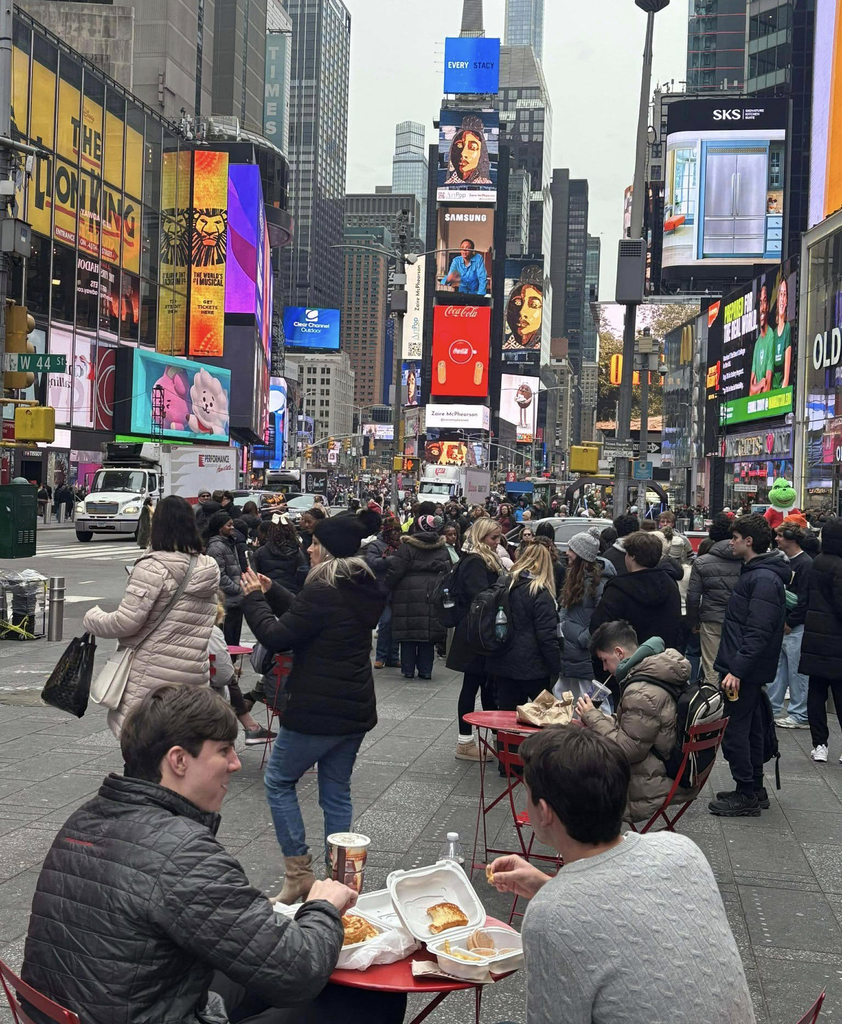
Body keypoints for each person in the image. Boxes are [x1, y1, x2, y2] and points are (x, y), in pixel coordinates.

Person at [20, 685, 408, 1024]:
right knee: (369, 1001)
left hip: (75, 1010)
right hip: (130, 1011)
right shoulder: (181, 850)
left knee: (250, 968)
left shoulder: (89, 814)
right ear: (178, 760)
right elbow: (299, 972)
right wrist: (322, 907)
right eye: (224, 751)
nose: (236, 764)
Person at [487, 727, 757, 1024]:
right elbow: (634, 921)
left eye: (526, 791)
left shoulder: (549, 917)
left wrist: (552, 899)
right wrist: (546, 886)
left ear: (545, 811)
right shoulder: (679, 848)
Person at [240, 513, 386, 904]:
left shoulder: (322, 589)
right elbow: (314, 619)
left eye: (315, 542)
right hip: (354, 708)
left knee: (278, 780)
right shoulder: (360, 584)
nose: (308, 547)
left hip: (316, 709)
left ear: (328, 548)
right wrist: (274, 592)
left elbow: (276, 635)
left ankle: (299, 873)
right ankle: (339, 882)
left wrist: (254, 596)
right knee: (336, 793)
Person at [82, 496, 220, 737]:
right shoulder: (208, 567)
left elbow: (125, 622)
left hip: (150, 677)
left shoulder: (153, 567)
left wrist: (93, 618)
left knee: (143, 748)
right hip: (192, 678)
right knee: (177, 747)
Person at [709, 514, 787, 817]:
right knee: (751, 727)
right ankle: (753, 787)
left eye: (736, 537)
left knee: (735, 730)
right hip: (745, 668)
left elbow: (757, 631)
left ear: (749, 541)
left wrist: (737, 670)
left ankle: (746, 793)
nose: (732, 542)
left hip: (743, 670)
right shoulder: (759, 573)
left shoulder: (763, 578)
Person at [584, 620, 700, 822]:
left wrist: (591, 716)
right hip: (671, 766)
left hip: (649, 781)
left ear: (619, 653)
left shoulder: (640, 690)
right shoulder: (658, 667)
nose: (604, 668)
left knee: (574, 771)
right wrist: (603, 719)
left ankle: (583, 842)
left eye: (604, 660)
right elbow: (640, 728)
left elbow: (626, 750)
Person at [446, 517, 503, 761]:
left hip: (479, 633)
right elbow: (481, 597)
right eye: (493, 538)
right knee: (473, 686)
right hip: (475, 635)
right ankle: (466, 742)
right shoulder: (474, 562)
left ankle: (493, 739)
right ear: (481, 538)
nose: (498, 543)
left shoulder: (481, 559)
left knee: (487, 686)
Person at [488, 542, 560, 711]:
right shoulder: (540, 593)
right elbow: (547, 636)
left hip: (503, 659)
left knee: (506, 714)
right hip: (533, 666)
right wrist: (556, 666)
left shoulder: (504, 583)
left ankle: (503, 738)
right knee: (546, 714)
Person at [589, 531, 683, 662]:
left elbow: (598, 627)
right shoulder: (670, 585)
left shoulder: (618, 590)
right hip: (663, 662)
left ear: (632, 556)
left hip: (626, 664)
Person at [386, 514, 451, 680]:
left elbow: (396, 570)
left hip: (407, 591)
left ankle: (408, 670)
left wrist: (386, 586)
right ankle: (426, 670)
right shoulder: (441, 548)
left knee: (408, 633)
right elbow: (447, 569)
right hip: (433, 590)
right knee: (427, 635)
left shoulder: (407, 547)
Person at [800, 518, 842, 763]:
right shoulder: (840, 566)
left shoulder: (817, 561)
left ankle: (820, 745)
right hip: (837, 638)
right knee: (839, 693)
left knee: (816, 692)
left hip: (815, 636)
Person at [685, 513, 743, 687]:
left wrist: (693, 621)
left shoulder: (702, 562)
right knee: (736, 664)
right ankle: (734, 702)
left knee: (711, 665)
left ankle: (713, 703)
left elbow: (693, 597)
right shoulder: (745, 561)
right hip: (739, 619)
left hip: (711, 619)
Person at [208, 600, 276, 745]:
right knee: (227, 679)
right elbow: (223, 676)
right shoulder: (210, 631)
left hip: (158, 688)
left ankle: (251, 716)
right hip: (200, 694)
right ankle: (251, 725)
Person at [558, 529, 615, 701]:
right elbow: (565, 608)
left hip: (583, 654)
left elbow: (602, 617)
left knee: (590, 702)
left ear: (581, 555)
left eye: (571, 549)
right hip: (568, 651)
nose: (567, 553)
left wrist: (585, 640)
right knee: (566, 702)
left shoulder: (598, 583)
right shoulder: (574, 577)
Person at [768, 519, 812, 729]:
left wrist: (791, 621)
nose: (776, 538)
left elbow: (805, 599)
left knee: (795, 670)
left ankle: (799, 713)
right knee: (782, 668)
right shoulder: (793, 561)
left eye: (779, 535)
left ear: (791, 539)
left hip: (795, 625)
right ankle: (773, 708)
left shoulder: (804, 564)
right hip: (787, 623)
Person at [364, 515, 402, 669]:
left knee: (396, 623)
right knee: (385, 622)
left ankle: (393, 656)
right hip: (382, 588)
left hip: (398, 588)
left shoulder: (401, 545)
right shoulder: (376, 545)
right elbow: (372, 562)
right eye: (393, 531)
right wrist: (389, 560)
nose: (396, 534)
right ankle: (381, 656)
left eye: (398, 531)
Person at [206, 510, 245, 645]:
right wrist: (238, 588)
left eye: (232, 524)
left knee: (234, 641)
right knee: (228, 641)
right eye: (229, 525)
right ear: (219, 528)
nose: (232, 527)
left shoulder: (229, 543)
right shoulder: (216, 548)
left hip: (236, 600)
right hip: (227, 601)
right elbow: (220, 576)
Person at [253, 516, 307, 595]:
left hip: (268, 594)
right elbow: (303, 577)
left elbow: (255, 575)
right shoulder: (297, 553)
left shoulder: (260, 552)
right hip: (292, 595)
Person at [444, 114, 493, 185]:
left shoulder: (488, 187)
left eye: (472, 147)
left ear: (481, 153)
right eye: (459, 145)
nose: (463, 153)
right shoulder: (446, 187)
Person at [503, 280, 543, 350]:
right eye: (517, 303)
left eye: (534, 305)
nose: (522, 312)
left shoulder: (548, 348)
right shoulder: (501, 348)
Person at [749, 283, 774, 395]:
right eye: (760, 303)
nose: (762, 308)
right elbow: (750, 391)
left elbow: (767, 388)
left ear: (768, 306)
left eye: (764, 302)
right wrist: (760, 384)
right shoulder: (757, 343)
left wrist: (757, 388)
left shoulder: (771, 337)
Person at [772, 274, 792, 389]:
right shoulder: (773, 333)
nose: (782, 299)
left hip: (781, 392)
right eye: (781, 294)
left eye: (785, 295)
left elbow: (786, 374)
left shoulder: (787, 328)